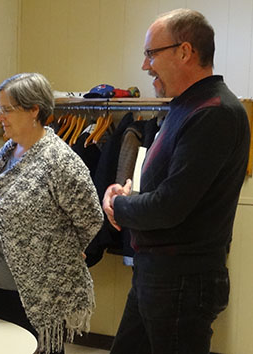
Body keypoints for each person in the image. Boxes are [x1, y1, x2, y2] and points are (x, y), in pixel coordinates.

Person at [103, 9, 250, 354]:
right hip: (158, 275)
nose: (145, 66)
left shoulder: (213, 112)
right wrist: (127, 193)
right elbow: (168, 190)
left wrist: (119, 205)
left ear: (185, 52)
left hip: (182, 282)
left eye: (152, 54)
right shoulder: (186, 107)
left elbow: (170, 206)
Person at [0, 73, 103, 354]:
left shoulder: (60, 161)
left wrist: (60, 252)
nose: (0, 117)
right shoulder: (6, 153)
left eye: (7, 109)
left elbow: (91, 219)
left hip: (38, 290)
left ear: (34, 110)